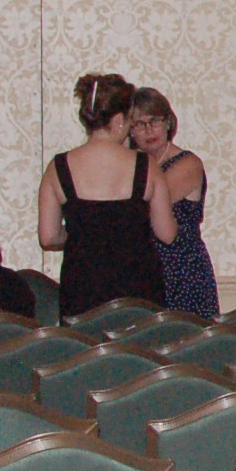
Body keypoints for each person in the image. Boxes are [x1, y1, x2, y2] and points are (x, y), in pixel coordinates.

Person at [38, 71, 167, 320]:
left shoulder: (58, 167)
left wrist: (85, 234)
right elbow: (166, 233)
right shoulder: (145, 165)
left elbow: (48, 236)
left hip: (83, 289)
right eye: (130, 120)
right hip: (138, 289)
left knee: (85, 344)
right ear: (118, 120)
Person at [128, 87, 217, 320]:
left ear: (168, 122)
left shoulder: (187, 163)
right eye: (139, 124)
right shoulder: (132, 165)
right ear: (129, 130)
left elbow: (142, 209)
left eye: (155, 121)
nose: (149, 130)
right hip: (143, 271)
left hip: (182, 270)